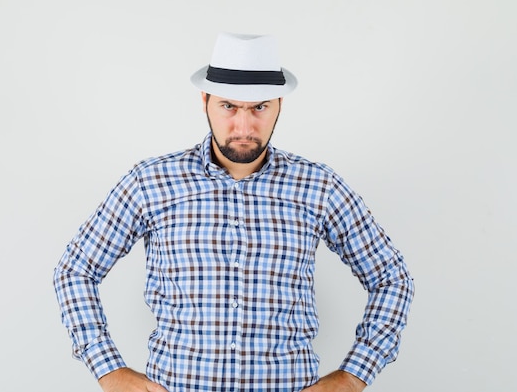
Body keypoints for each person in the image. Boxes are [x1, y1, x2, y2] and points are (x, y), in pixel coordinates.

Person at [53, 32, 414, 392]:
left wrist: (353, 377)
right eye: (229, 106)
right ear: (205, 101)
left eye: (259, 107)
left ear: (279, 106)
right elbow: (75, 270)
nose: (244, 127)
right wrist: (109, 370)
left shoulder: (319, 186)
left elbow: (391, 278)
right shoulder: (151, 182)